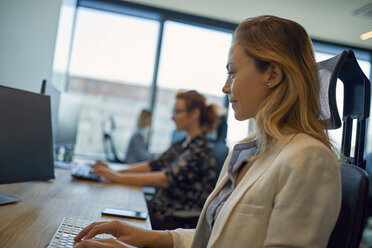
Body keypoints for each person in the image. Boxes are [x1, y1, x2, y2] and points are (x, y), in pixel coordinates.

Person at [75, 15, 342, 248]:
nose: (226, 87)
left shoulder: (309, 158)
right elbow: (215, 240)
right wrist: (149, 237)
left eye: (233, 73)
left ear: (272, 74)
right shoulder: (250, 150)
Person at [93, 90, 218, 230]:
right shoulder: (183, 143)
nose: (173, 117)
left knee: (113, 217)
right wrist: (115, 171)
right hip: (161, 208)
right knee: (114, 208)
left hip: (177, 219)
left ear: (195, 114)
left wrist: (116, 176)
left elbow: (165, 179)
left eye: (178, 112)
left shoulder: (200, 150)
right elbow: (154, 165)